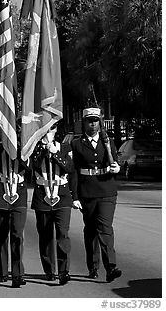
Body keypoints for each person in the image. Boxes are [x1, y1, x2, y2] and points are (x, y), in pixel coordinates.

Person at [70, 107, 122, 283]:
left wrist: (117, 168)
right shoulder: (76, 144)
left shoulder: (108, 142)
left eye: (95, 121)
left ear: (100, 122)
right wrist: (75, 196)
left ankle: (111, 267)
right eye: (89, 121)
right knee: (91, 230)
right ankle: (93, 265)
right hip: (87, 192)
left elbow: (114, 161)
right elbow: (75, 172)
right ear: (84, 123)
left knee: (104, 228)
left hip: (107, 189)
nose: (93, 124)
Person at [30, 121, 80, 285]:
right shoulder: (35, 148)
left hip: (62, 196)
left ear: (56, 130)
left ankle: (64, 270)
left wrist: (55, 153)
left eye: (51, 128)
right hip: (42, 195)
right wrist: (44, 151)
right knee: (45, 235)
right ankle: (49, 269)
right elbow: (33, 168)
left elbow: (70, 168)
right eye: (45, 129)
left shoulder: (65, 147)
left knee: (62, 234)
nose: (48, 132)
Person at [0, 139, 29, 288]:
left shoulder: (25, 149)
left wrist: (21, 153)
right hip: (0, 192)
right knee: (1, 235)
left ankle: (18, 273)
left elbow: (31, 169)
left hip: (19, 193)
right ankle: (3, 272)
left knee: (17, 234)